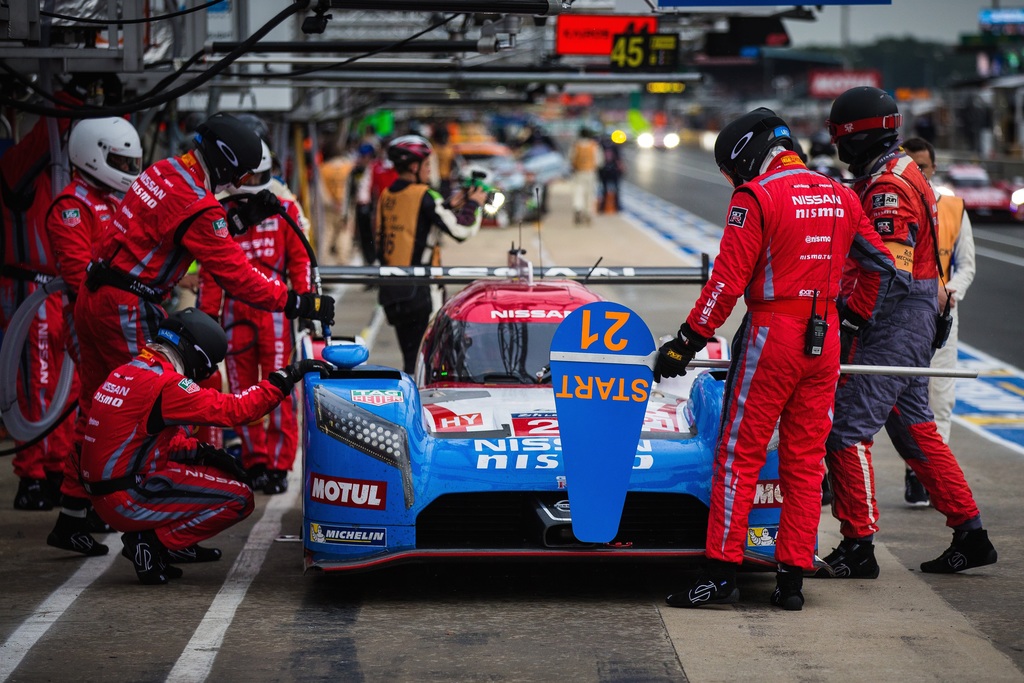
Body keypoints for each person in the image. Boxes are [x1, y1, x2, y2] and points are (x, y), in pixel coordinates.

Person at [653, 108, 899, 611]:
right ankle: (791, 582)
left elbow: (726, 282)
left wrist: (685, 343)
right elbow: (884, 263)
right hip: (824, 335)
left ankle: (721, 574)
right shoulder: (842, 193)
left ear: (745, 155)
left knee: (738, 455)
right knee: (806, 463)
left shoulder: (756, 196)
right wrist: (853, 316)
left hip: (773, 334)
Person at [64, 113, 335, 547]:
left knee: (96, 404)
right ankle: (148, 524)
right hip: (127, 306)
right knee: (157, 404)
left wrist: (241, 221)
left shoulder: (164, 171)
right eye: (242, 172)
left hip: (94, 297)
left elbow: (179, 228)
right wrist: (295, 300)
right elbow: (235, 273)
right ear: (228, 164)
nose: (243, 181)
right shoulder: (199, 204)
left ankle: (73, 512)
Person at [817, 87, 997, 579]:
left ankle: (858, 545)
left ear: (859, 135)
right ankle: (971, 533)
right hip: (915, 317)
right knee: (914, 427)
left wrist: (852, 317)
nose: (837, 148)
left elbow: (888, 268)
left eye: (839, 138)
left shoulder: (887, 187)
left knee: (845, 432)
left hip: (892, 320)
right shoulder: (901, 172)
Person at [78, 308, 330, 584]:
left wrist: (202, 453)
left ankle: (168, 541)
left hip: (103, 494)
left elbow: (136, 442)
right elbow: (235, 410)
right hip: (126, 497)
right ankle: (152, 542)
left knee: (207, 462)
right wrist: (287, 376)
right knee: (240, 498)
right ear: (194, 353)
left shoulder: (129, 370)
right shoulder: (167, 385)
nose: (205, 373)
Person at [43, 116, 142, 555]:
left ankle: (94, 506)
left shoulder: (112, 199)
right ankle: (73, 514)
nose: (127, 167)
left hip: (111, 319)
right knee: (97, 416)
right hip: (89, 322)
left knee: (108, 415)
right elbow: (76, 272)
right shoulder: (71, 206)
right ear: (93, 154)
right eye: (120, 160)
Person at [199, 137, 312, 495]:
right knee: (244, 389)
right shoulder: (218, 212)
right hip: (235, 309)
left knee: (280, 386)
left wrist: (307, 301)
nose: (248, 182)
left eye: (254, 175)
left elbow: (301, 259)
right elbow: (212, 271)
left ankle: (279, 465)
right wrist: (206, 318)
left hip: (277, 308)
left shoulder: (285, 208)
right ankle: (255, 459)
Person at [1, 81, 87, 513]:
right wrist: (72, 98)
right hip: (26, 290)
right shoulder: (16, 166)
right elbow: (41, 141)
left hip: (57, 288)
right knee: (35, 386)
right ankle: (33, 475)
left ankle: (55, 467)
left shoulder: (65, 176)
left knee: (66, 383)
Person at [902, 136, 977, 506]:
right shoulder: (891, 201)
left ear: (934, 169)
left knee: (940, 398)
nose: (919, 172)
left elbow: (967, 266)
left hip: (943, 317)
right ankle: (913, 466)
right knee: (899, 397)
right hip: (900, 316)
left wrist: (950, 291)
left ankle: (924, 477)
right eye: (911, 165)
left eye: (924, 166)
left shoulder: (952, 208)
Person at [376, 135, 485, 373]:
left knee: (409, 359)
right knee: (427, 363)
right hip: (422, 292)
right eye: (427, 166)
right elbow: (461, 230)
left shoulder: (387, 195)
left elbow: (409, 226)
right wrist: (474, 203)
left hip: (392, 292)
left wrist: (446, 206)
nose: (429, 171)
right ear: (414, 167)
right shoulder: (426, 195)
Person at [569, 127, 600, 225]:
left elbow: (571, 158)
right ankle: (588, 213)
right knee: (590, 193)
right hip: (590, 172)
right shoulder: (594, 145)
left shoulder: (576, 145)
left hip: (578, 172)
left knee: (578, 192)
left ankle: (578, 209)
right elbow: (599, 160)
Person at [598, 133, 625, 213]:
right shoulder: (615, 147)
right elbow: (618, 160)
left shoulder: (601, 147)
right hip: (613, 171)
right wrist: (621, 169)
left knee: (604, 189)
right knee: (616, 189)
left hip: (604, 171)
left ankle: (603, 207)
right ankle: (616, 206)